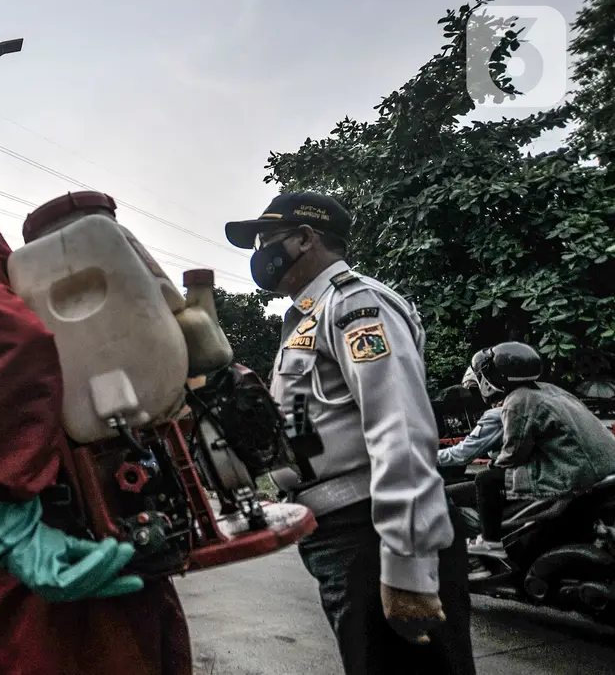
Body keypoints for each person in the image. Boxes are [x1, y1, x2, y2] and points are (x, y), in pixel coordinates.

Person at [0, 159, 192, 674]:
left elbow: (10, 349)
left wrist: (12, 506)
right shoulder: (7, 268)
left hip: (37, 561)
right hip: (93, 535)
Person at [225, 191, 474, 675]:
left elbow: (398, 429)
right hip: (339, 535)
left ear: (304, 238)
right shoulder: (305, 320)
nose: (259, 255)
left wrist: (408, 563)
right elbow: (311, 432)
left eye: (266, 240)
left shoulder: (356, 305)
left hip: (372, 535)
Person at [464, 342, 615, 553]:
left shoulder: (517, 401)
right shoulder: (550, 390)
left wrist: (494, 465)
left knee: (485, 480)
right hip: (604, 466)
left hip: (575, 474)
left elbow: (513, 454)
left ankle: (490, 542)